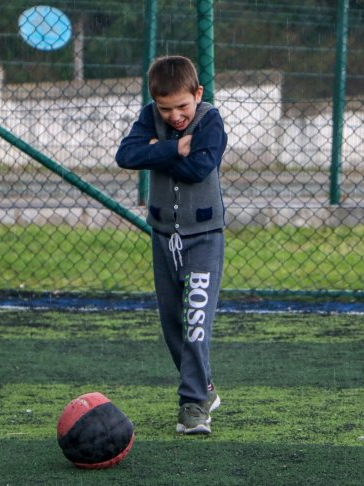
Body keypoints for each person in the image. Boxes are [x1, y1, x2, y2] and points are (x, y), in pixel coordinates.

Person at [115, 55, 228, 434]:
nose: (175, 116)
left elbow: (200, 167)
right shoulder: (150, 116)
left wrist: (155, 152)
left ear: (197, 93)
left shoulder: (210, 120)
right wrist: (175, 148)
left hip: (204, 236)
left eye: (182, 106)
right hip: (163, 236)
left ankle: (192, 404)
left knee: (196, 323)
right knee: (172, 325)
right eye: (166, 109)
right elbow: (126, 155)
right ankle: (205, 387)